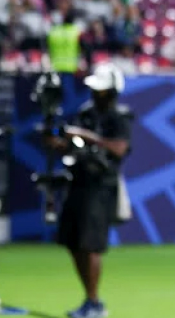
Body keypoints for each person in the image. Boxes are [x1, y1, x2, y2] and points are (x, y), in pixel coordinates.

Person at [47, 64, 132, 318]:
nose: (97, 94)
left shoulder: (120, 116)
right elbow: (71, 145)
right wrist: (57, 142)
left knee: (91, 244)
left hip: (101, 186)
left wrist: (85, 135)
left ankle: (94, 303)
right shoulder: (85, 112)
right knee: (73, 243)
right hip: (78, 182)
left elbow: (119, 149)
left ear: (113, 91)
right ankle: (90, 299)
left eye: (102, 90)